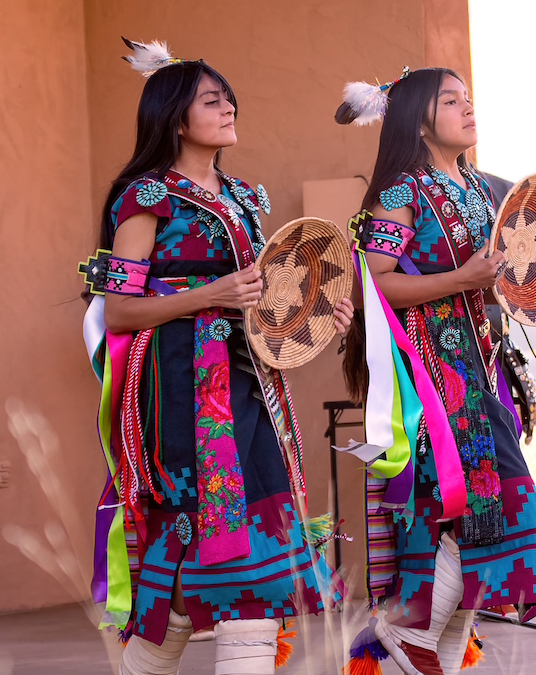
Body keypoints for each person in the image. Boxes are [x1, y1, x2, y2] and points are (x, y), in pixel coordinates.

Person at [82, 39, 353, 675]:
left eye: (228, 94)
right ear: (176, 117)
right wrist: (211, 294)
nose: (229, 104)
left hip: (252, 391)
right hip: (183, 399)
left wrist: (318, 315)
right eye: (212, 98)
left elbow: (263, 304)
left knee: (238, 570)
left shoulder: (245, 197)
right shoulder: (145, 198)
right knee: (216, 565)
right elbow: (118, 311)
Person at [335, 67, 536, 675]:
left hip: (479, 369)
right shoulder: (401, 191)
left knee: (478, 514)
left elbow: (506, 283)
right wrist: (459, 281)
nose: (467, 107)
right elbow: (369, 284)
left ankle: (426, 649)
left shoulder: (483, 191)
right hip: (426, 373)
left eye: (468, 98)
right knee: (478, 502)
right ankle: (404, 629)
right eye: (450, 100)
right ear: (417, 117)